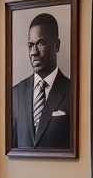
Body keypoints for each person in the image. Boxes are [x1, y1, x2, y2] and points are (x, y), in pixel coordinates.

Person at [10, 12, 72, 150]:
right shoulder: (16, 94)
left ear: (56, 45)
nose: (34, 52)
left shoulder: (73, 91)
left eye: (41, 43)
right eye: (30, 45)